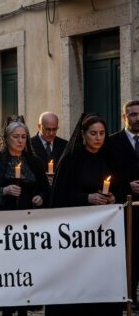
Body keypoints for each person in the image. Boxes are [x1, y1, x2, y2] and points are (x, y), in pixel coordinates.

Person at [49, 113, 124, 315]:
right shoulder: (72, 159)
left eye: (101, 133)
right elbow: (60, 196)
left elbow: (120, 188)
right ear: (83, 134)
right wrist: (86, 198)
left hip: (106, 234)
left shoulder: (109, 156)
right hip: (76, 234)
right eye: (93, 133)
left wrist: (112, 198)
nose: (98, 138)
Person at [0, 118, 48, 316]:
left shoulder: (34, 161)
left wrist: (40, 197)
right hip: (3, 224)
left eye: (24, 137)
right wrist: (4, 190)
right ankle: (7, 309)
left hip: (28, 224)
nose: (20, 141)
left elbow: (46, 189)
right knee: (7, 269)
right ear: (7, 139)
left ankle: (25, 307)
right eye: (16, 137)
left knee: (26, 267)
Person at [107, 100, 139, 307]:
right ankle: (129, 295)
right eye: (132, 115)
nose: (137, 119)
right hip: (124, 208)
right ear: (124, 117)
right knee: (129, 254)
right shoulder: (112, 142)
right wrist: (127, 186)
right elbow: (106, 176)